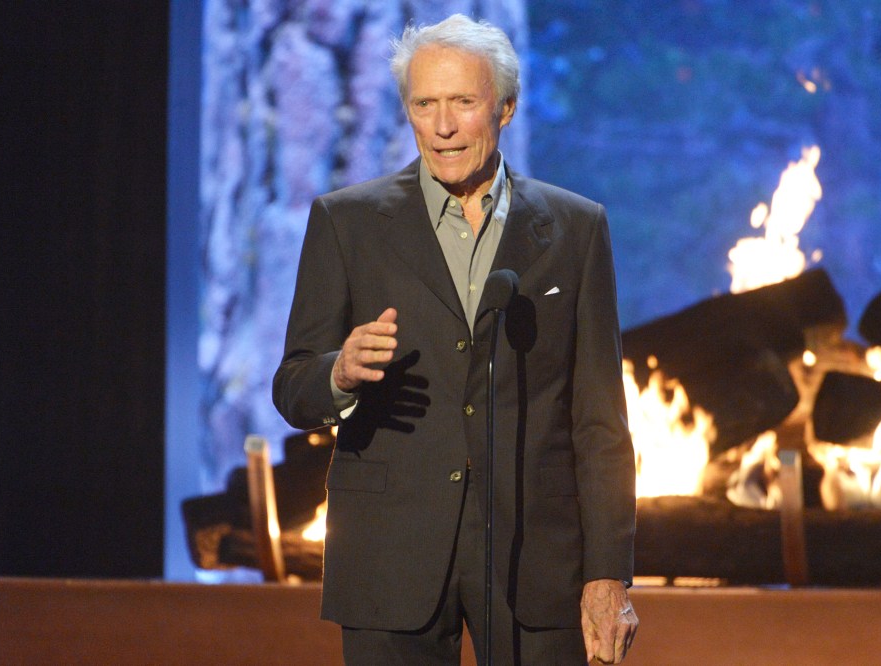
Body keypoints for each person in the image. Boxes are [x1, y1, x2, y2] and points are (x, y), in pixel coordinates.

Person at [273, 13, 638, 665]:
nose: (441, 128)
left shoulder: (576, 229)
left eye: (462, 103)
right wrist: (339, 373)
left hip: (536, 562)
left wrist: (608, 574)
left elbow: (600, 421)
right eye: (424, 105)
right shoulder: (346, 222)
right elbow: (294, 385)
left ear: (504, 108)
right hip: (391, 555)